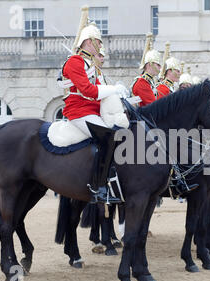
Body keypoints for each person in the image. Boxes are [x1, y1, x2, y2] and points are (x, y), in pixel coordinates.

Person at [60, 21, 127, 204]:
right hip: (79, 111)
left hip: (92, 110)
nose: (101, 44)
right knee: (107, 138)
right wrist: (113, 89)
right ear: (89, 42)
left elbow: (97, 90)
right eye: (98, 41)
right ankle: (97, 187)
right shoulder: (75, 62)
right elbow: (88, 91)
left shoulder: (90, 64)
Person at [131, 33, 161, 107]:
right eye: (157, 65)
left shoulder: (149, 81)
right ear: (149, 65)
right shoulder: (142, 82)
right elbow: (153, 106)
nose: (160, 68)